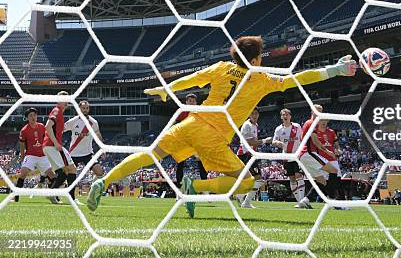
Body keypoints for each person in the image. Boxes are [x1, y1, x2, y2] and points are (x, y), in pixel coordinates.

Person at [87, 36, 357, 218]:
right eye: (261, 55)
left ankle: (104, 181)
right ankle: (196, 186)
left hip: (192, 123)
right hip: (214, 137)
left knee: (150, 154)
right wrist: (334, 70)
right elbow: (298, 78)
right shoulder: (261, 79)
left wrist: (164, 89)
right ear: (254, 60)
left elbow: (192, 79)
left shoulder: (222, 68)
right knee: (246, 181)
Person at [43, 91, 78, 204]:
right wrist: (56, 143)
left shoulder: (59, 113)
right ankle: (67, 197)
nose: (66, 101)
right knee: (69, 170)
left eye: (67, 98)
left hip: (51, 146)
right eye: (63, 99)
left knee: (67, 170)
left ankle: (56, 194)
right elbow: (48, 126)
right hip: (52, 145)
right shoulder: (57, 110)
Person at [14, 108, 56, 202]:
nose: (33, 117)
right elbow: (22, 144)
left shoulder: (42, 126)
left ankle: (54, 196)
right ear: (27, 118)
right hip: (30, 155)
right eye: (31, 116)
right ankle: (16, 198)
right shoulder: (24, 130)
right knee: (23, 173)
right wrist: (22, 156)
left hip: (43, 156)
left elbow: (47, 139)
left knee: (52, 176)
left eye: (34, 115)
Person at [235, 107, 272, 208]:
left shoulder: (255, 125)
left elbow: (254, 141)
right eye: (252, 114)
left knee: (254, 180)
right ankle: (243, 199)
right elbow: (250, 142)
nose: (254, 115)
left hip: (251, 154)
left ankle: (242, 198)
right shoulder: (247, 125)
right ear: (249, 115)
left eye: (256, 113)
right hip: (245, 154)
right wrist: (265, 141)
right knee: (259, 180)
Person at [65, 101, 104, 191]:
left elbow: (98, 135)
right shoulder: (73, 121)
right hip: (73, 154)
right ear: (79, 109)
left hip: (88, 153)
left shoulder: (93, 122)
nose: (85, 110)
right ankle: (66, 193)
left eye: (87, 108)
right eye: (83, 108)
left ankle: (94, 190)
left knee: (99, 172)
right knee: (68, 175)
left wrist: (102, 148)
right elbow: (61, 130)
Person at [272, 109, 306, 208]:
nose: (285, 116)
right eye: (283, 115)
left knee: (299, 176)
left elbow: (303, 139)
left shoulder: (297, 127)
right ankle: (299, 201)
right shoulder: (278, 129)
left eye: (287, 114)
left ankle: (302, 200)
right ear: (281, 117)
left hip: (297, 156)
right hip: (286, 157)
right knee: (292, 179)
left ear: (290, 116)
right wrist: (278, 143)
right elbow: (274, 141)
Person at [174, 94, 207, 186]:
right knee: (180, 163)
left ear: (196, 103)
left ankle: (205, 187)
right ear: (186, 102)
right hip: (184, 141)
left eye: (193, 101)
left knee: (201, 163)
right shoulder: (182, 112)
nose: (191, 102)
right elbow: (176, 126)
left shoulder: (201, 112)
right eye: (189, 100)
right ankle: (178, 188)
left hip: (197, 140)